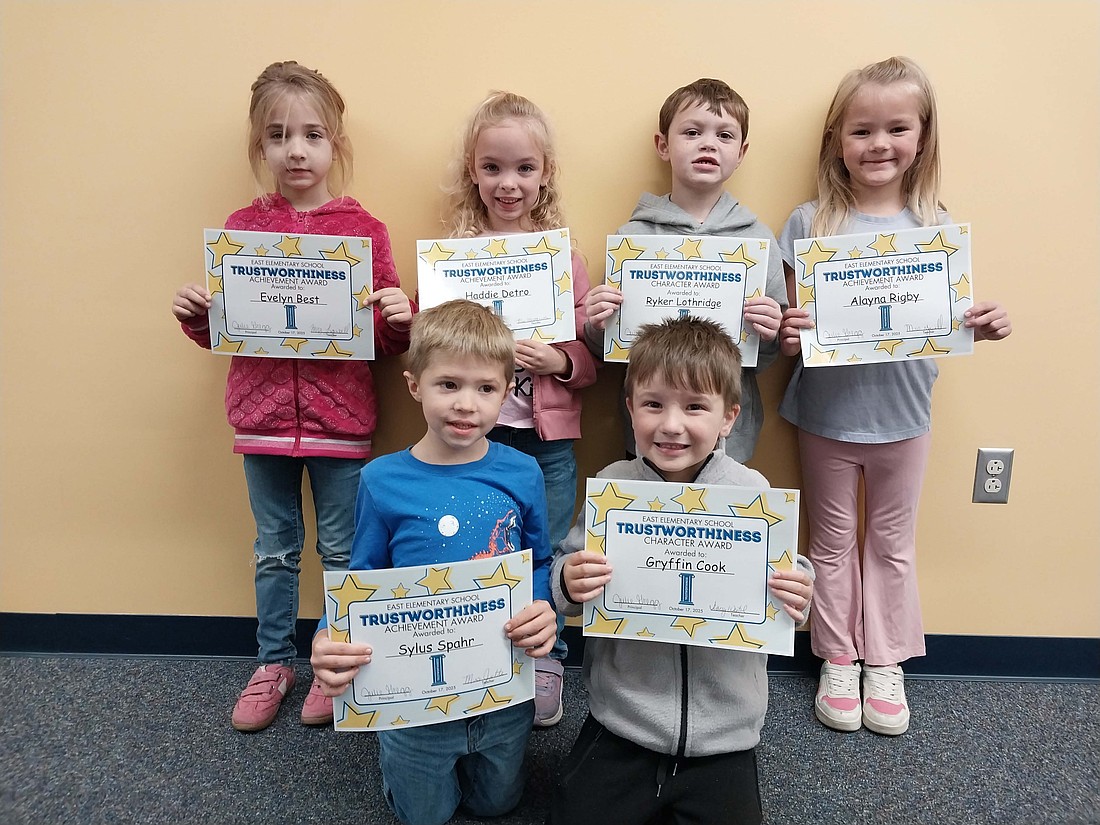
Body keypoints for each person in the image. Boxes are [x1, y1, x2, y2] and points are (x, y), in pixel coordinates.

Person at [171, 61, 415, 732]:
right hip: (262, 421)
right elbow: (228, 326)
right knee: (274, 548)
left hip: (343, 423)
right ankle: (273, 661)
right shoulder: (240, 228)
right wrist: (198, 312)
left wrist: (400, 315)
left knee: (342, 550)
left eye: (312, 134)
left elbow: (390, 341)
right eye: (278, 135)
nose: (296, 149)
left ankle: (334, 661)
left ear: (336, 143)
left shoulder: (364, 229)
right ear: (260, 148)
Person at [777, 57, 1012, 736]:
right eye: (862, 130)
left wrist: (983, 325)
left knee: (891, 544)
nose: (879, 143)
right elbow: (796, 337)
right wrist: (792, 333)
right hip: (825, 415)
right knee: (830, 544)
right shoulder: (808, 221)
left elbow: (947, 323)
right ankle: (838, 658)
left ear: (922, 136)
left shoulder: (937, 226)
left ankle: (886, 658)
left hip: (907, 416)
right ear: (838, 141)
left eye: (897, 128)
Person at [549, 316, 814, 825]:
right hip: (624, 721)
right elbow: (567, 571)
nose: (671, 425)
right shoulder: (613, 486)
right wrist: (567, 581)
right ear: (630, 409)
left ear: (728, 417)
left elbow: (790, 578)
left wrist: (801, 589)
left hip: (726, 732)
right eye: (653, 404)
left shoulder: (752, 492)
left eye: (695, 407)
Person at [310, 300, 557, 825]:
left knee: (499, 805)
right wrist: (328, 633)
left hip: (502, 688)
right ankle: (400, 764)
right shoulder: (381, 481)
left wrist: (541, 603)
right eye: (448, 385)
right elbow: (361, 576)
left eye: (486, 388)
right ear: (414, 385)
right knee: (426, 816)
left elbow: (539, 557)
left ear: (508, 391)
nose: (467, 404)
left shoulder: (523, 472)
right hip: (414, 702)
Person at [441, 91, 598, 726]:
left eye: (524, 169)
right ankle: (478, 654)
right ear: (472, 173)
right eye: (493, 168)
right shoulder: (451, 258)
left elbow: (593, 359)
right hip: (471, 440)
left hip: (546, 439)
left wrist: (558, 363)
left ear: (545, 174)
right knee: (476, 547)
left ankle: (548, 656)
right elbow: (432, 350)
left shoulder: (565, 259)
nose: (509, 184)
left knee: (548, 547)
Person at [583, 78, 786, 463]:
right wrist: (596, 324)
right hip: (650, 433)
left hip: (729, 436)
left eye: (724, 135)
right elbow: (608, 350)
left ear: (741, 153)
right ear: (663, 145)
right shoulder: (633, 239)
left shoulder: (758, 241)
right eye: (692, 132)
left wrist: (771, 333)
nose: (707, 143)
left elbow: (766, 358)